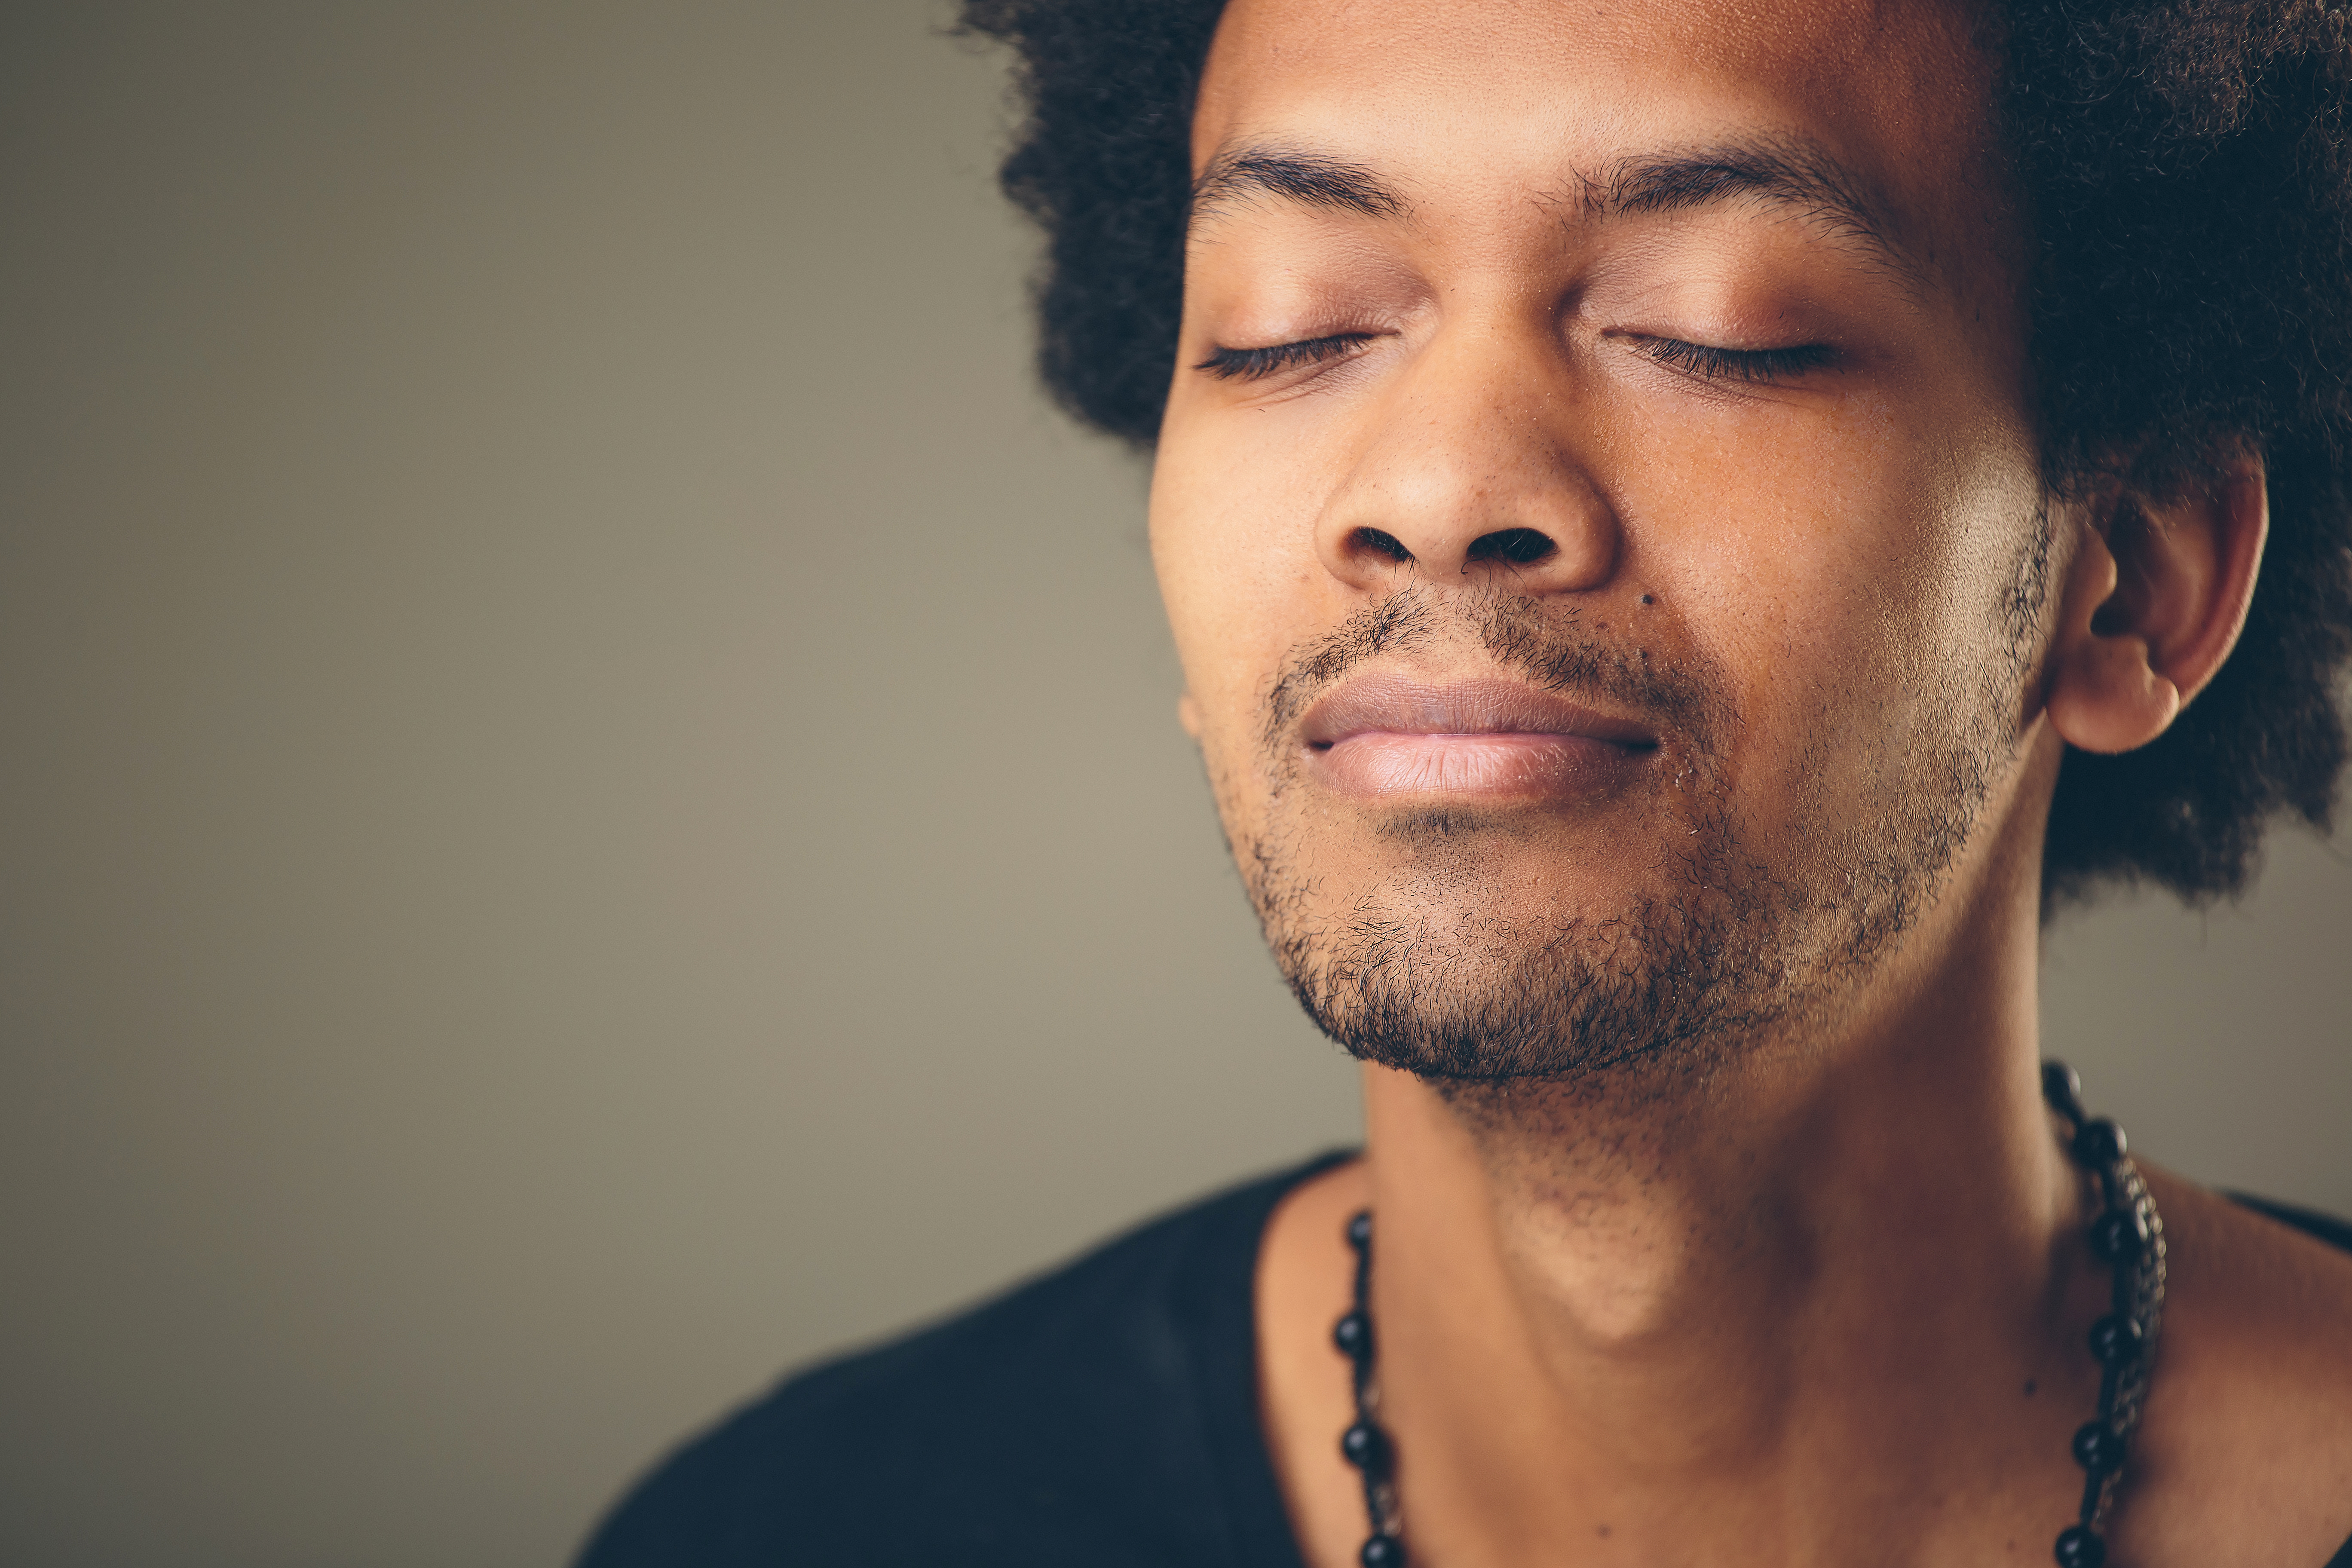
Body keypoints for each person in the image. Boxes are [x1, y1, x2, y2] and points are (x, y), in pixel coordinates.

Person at [576, 0, 2352, 1563]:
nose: (1433, 485)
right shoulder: (800, 1531)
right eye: (1291, 328)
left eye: (1713, 326)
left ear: (2131, 575)